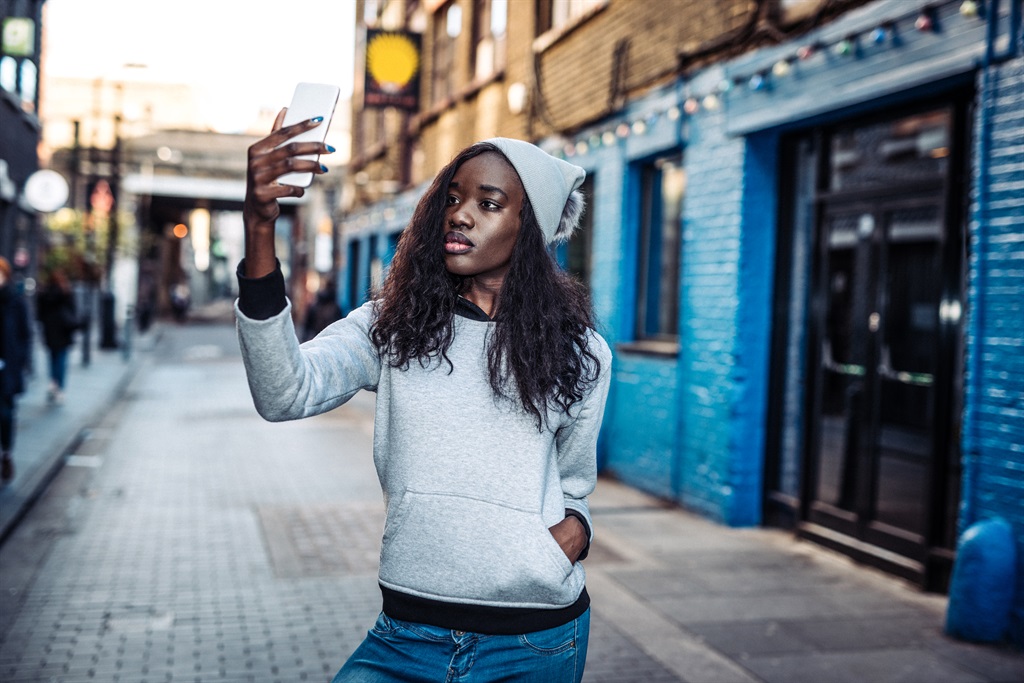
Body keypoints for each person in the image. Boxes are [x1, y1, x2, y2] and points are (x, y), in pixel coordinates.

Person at [236, 111, 611, 682]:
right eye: (453, 198)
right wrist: (260, 230)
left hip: (534, 642)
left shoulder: (579, 351)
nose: (459, 214)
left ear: (530, 226)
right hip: (406, 636)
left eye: (488, 203)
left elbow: (574, 481)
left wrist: (575, 531)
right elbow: (284, 392)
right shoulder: (394, 326)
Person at [0, 257, 32, 482]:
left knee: (5, 414)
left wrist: (20, 362)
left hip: (7, 368)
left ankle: (6, 454)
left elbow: (25, 335)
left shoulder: (16, 301)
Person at [35, 268, 79, 405]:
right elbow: (73, 312)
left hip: (49, 330)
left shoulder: (44, 293)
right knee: (61, 360)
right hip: (63, 330)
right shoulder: (66, 292)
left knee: (53, 358)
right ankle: (59, 387)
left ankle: (53, 383)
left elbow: (39, 314)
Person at [301, 277, 344, 342]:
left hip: (317, 336)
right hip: (329, 339)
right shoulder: (335, 306)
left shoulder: (316, 304)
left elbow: (308, 325)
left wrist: (304, 338)